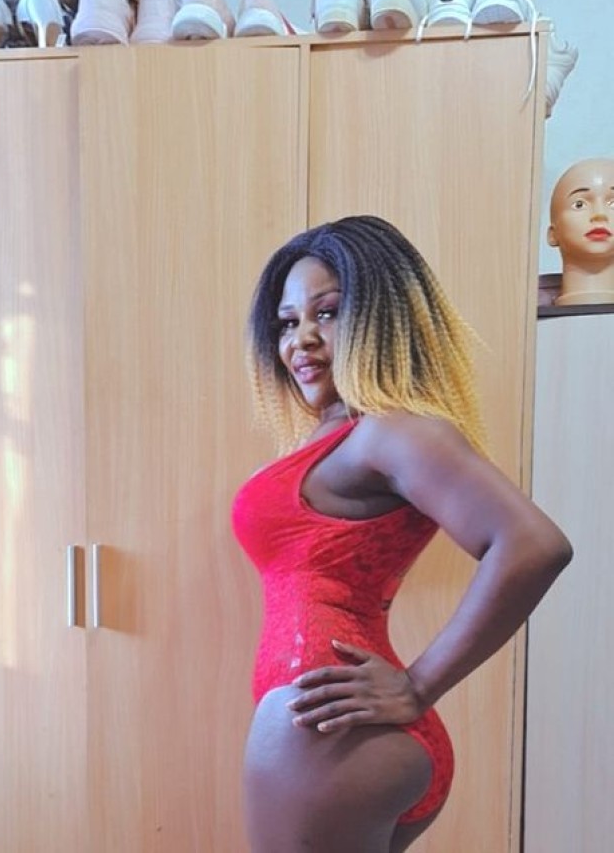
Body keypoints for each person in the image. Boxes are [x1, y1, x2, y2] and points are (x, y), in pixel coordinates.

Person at [232, 215, 572, 853]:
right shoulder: (343, 435)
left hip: (325, 722)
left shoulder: (389, 430)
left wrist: (419, 685)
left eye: (327, 312)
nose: (301, 339)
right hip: (342, 728)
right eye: (287, 322)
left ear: (380, 317)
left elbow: (534, 545)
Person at [548, 157, 614, 305]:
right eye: (579, 204)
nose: (599, 214)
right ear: (552, 234)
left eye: (612, 204)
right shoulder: (514, 309)